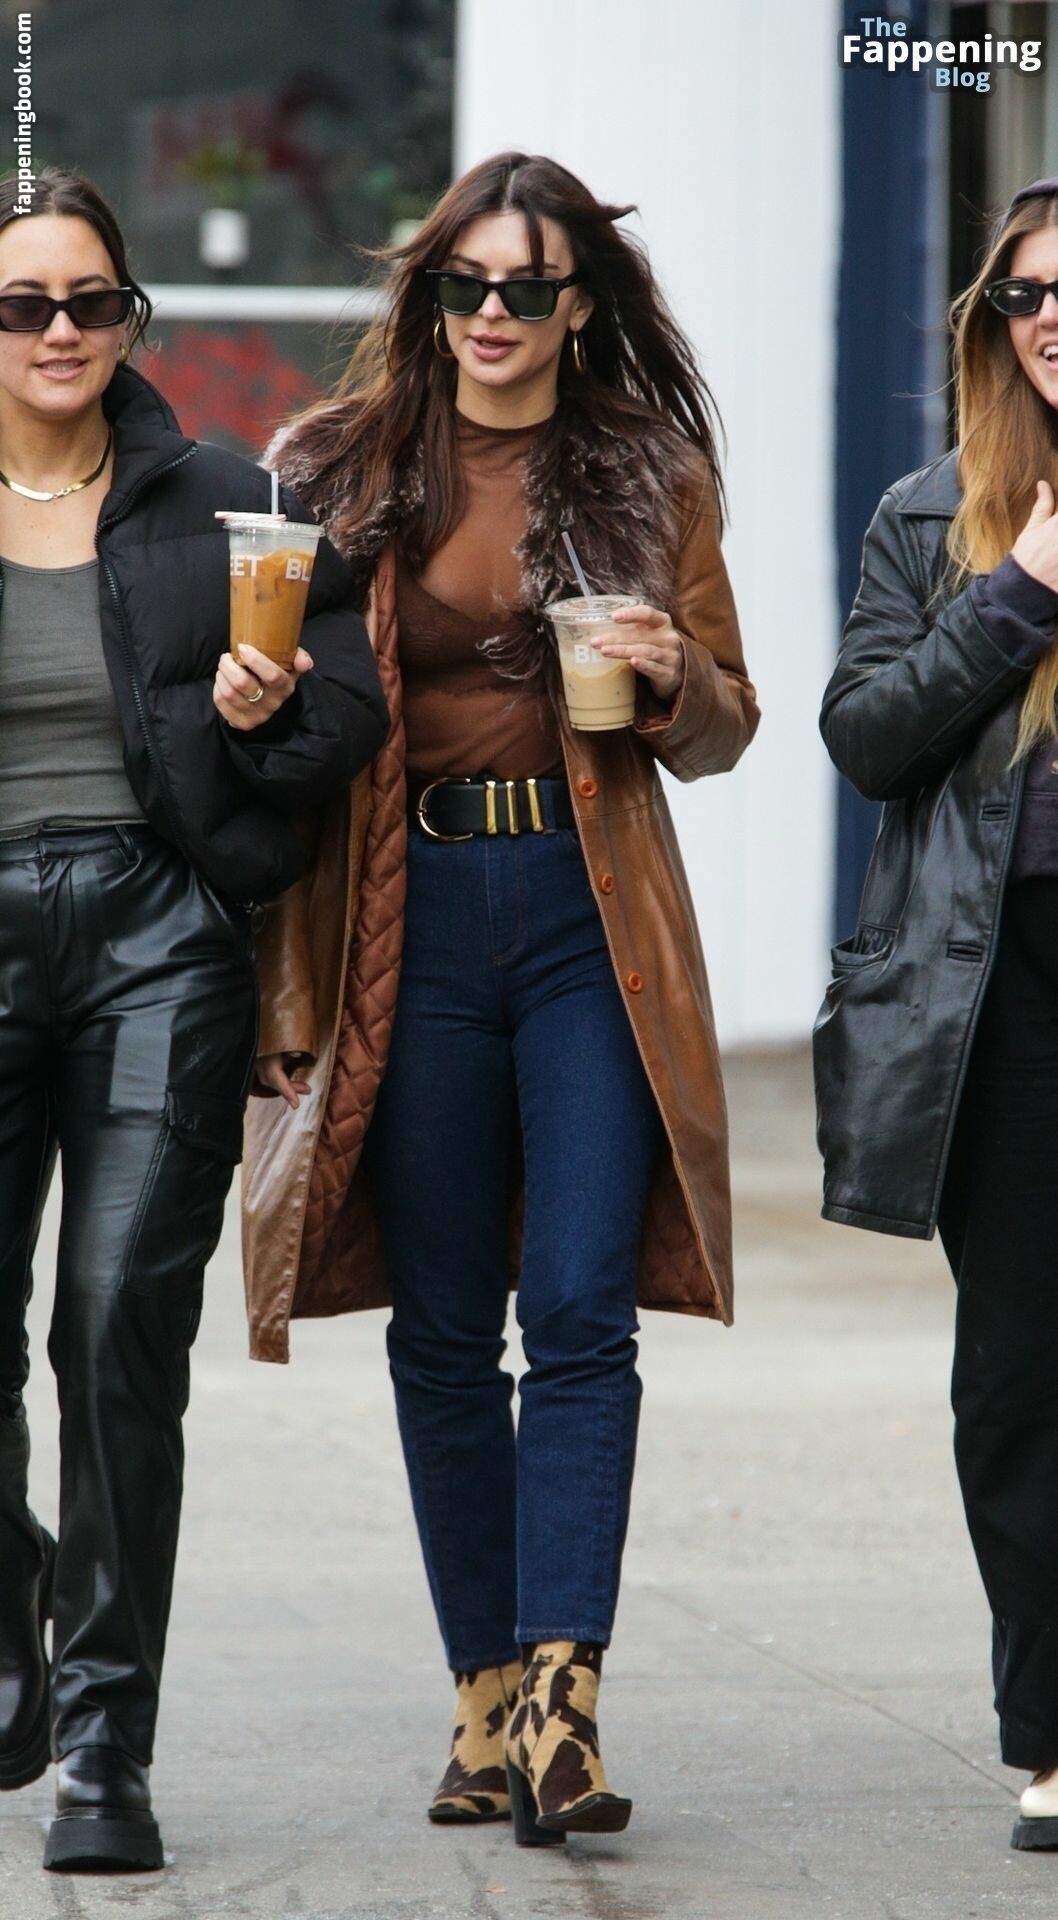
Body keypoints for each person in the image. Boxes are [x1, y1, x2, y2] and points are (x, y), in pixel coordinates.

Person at [243, 149, 757, 1846]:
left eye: (525, 287)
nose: (490, 313)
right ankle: (480, 1698)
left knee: (585, 1307)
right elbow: (272, 709)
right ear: (430, 294)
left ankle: (561, 1700)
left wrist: (675, 679)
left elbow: (728, 718)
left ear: (576, 303)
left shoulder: (648, 472)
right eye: (463, 283)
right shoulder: (333, 469)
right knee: (448, 1325)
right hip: (408, 914)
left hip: (585, 914)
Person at [0, 166, 387, 1873]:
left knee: (115, 1329)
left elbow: (345, 720)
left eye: (92, 301)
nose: (61, 330)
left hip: (159, 933)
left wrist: (271, 706)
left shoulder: (226, 500)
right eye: (24, 305)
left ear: (130, 316)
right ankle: (19, 1591)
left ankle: (103, 1741)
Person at [815, 176, 1058, 1854]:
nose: (1053, 321)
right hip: (1005, 992)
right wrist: (1017, 587)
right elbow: (866, 737)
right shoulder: (927, 515)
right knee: (1021, 1379)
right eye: (1029, 294)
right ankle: (1049, 1731)